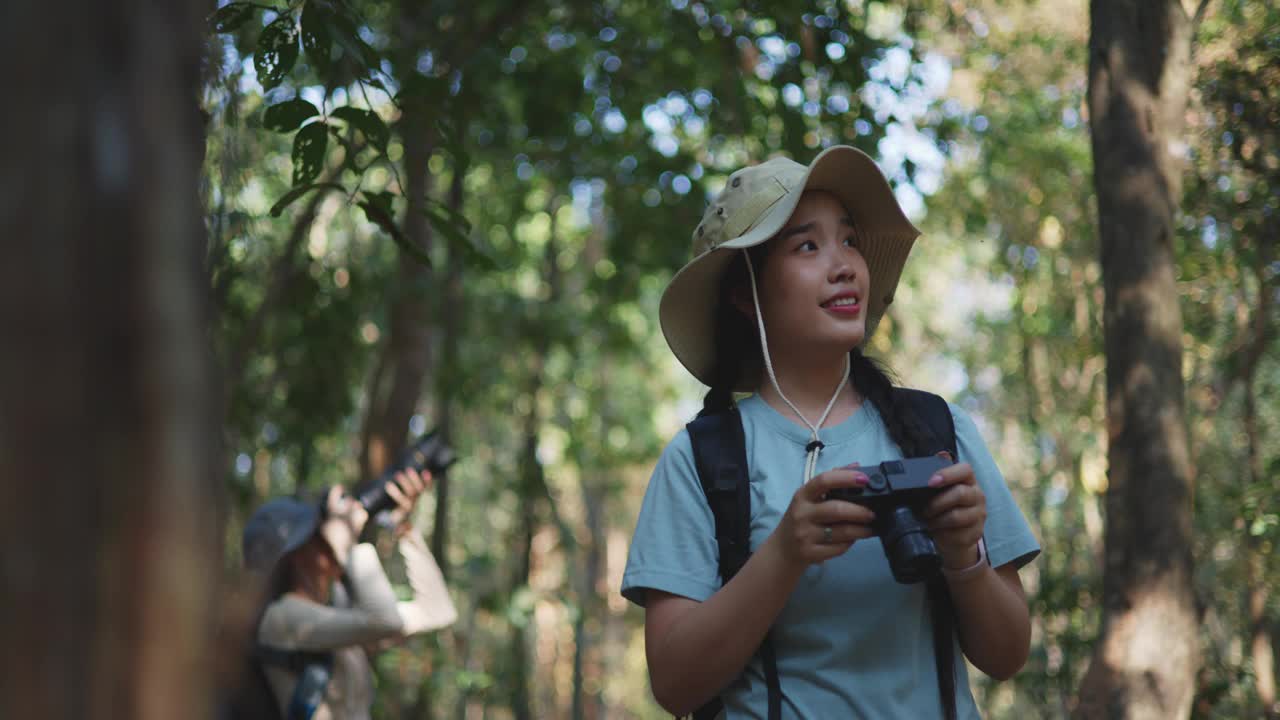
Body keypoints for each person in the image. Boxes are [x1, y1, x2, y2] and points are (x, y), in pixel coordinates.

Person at [621, 146, 1040, 719]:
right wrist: (785, 554)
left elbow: (1008, 654)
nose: (843, 264)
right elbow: (673, 683)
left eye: (849, 240)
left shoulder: (936, 430)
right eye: (807, 246)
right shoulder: (701, 460)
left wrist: (963, 555)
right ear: (745, 294)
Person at [240, 469, 457, 720]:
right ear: (298, 556)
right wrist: (347, 542)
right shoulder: (280, 618)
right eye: (319, 536)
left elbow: (437, 611)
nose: (329, 541)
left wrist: (404, 528)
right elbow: (386, 620)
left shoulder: (336, 606)